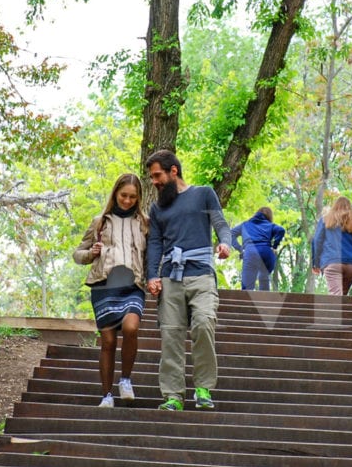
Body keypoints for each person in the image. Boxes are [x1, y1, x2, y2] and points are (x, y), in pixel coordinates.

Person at [144, 149, 232, 411]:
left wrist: (225, 244)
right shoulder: (157, 208)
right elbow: (155, 244)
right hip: (171, 277)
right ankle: (173, 396)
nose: (154, 182)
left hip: (202, 274)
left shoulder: (203, 193)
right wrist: (152, 275)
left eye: (157, 175)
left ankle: (203, 388)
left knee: (204, 324)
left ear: (174, 171)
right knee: (171, 335)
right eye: (151, 177)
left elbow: (221, 224)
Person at [72, 173, 148, 407]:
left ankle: (125, 379)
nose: (127, 200)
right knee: (107, 341)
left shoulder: (144, 222)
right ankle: (107, 395)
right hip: (104, 286)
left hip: (133, 285)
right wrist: (91, 252)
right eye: (124, 195)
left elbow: (152, 253)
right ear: (115, 193)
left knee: (131, 327)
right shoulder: (100, 221)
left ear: (139, 198)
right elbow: (78, 254)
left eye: (132, 197)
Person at [310, 196, 352, 296]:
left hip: (333, 262)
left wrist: (316, 263)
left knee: (336, 297)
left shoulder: (325, 220)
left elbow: (317, 241)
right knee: (342, 298)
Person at [230, 206, 285, 291]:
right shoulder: (270, 225)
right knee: (264, 279)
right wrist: (274, 246)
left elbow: (231, 234)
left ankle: (247, 301)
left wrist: (240, 249)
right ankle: (264, 301)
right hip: (266, 252)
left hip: (250, 252)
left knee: (247, 286)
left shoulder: (245, 224)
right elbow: (281, 230)